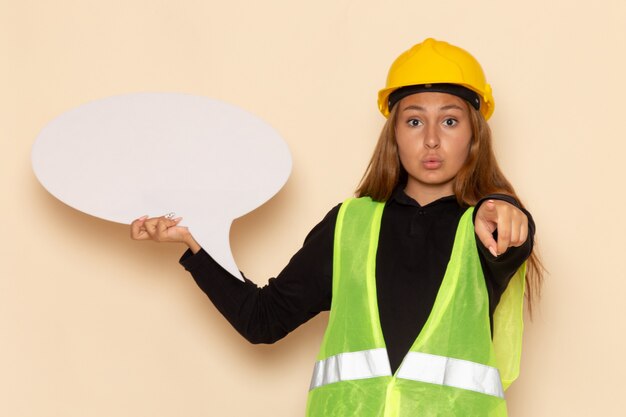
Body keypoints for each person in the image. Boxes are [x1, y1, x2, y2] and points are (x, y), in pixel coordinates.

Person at [131, 38, 543, 417]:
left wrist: (501, 203)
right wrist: (194, 243)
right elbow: (263, 320)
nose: (432, 140)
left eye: (450, 121)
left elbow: (512, 235)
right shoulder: (349, 224)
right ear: (394, 134)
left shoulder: (488, 228)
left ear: (475, 134)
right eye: (414, 122)